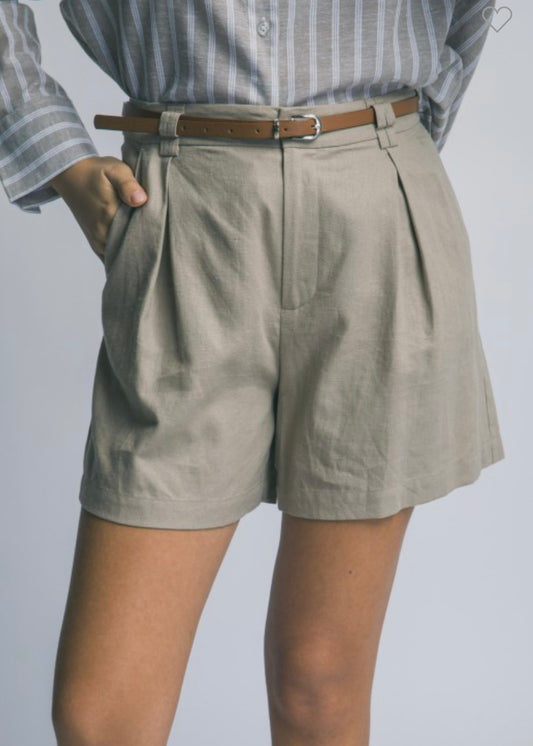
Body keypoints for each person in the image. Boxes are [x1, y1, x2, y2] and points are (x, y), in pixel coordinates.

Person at [0, 3, 505, 745]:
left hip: (372, 199)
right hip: (185, 205)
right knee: (99, 716)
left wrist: (392, 148)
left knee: (318, 682)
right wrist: (55, 151)